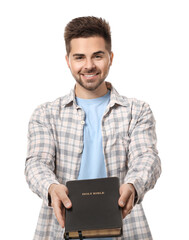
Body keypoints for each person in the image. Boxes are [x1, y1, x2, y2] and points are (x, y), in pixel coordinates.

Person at [25, 16, 161, 240]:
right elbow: (36, 163)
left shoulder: (137, 111)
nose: (89, 65)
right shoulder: (45, 114)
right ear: (68, 60)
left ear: (110, 58)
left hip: (127, 230)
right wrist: (51, 188)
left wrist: (133, 185)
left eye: (97, 56)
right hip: (59, 231)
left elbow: (147, 158)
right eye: (80, 57)